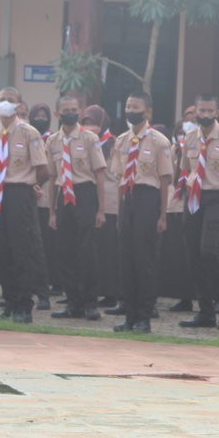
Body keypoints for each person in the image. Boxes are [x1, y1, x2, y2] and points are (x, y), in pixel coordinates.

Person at [0, 87, 50, 324]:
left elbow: (43, 168)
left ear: (19, 106)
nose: (5, 103)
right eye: (1, 99)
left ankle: (24, 306)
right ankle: (9, 304)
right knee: (1, 250)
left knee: (22, 251)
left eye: (10, 100)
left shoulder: (28, 132)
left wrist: (33, 185)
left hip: (20, 193)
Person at [112, 92, 172, 333]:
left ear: (147, 112)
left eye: (135, 107)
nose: (130, 110)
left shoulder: (159, 141)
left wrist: (163, 214)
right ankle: (129, 314)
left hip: (148, 198)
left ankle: (144, 316)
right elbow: (119, 177)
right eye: (128, 106)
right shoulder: (121, 140)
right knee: (126, 258)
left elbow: (165, 180)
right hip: (128, 198)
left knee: (144, 259)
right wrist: (119, 211)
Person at [45, 95, 107, 322]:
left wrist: (101, 209)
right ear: (57, 114)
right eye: (65, 110)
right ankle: (73, 303)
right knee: (65, 251)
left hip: (85, 193)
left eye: (73, 109)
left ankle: (90, 303)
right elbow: (52, 179)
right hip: (64, 196)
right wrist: (52, 211)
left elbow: (99, 175)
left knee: (87, 251)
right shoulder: (52, 141)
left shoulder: (90, 138)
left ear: (80, 112)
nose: (70, 113)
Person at [179, 94, 219, 331]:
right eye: (201, 111)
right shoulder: (190, 137)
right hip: (194, 197)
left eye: (209, 111)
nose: (204, 115)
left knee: (209, 251)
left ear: (217, 112)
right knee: (193, 254)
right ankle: (205, 311)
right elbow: (186, 168)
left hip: (217, 198)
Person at [81, 106, 120, 312]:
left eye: (94, 123)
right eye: (86, 123)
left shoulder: (113, 143)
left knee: (108, 250)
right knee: (91, 249)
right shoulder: (84, 142)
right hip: (89, 199)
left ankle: (110, 292)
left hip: (110, 201)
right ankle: (91, 291)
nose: (90, 127)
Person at [160, 107, 197, 314]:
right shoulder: (174, 148)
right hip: (174, 204)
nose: (189, 124)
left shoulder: (201, 146)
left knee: (192, 252)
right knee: (177, 254)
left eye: (193, 120)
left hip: (194, 203)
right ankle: (183, 296)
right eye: (186, 120)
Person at [28, 102, 58, 309]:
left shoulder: (52, 140)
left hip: (47, 200)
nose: (41, 119)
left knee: (45, 246)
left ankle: (45, 289)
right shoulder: (26, 138)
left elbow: (52, 171)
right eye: (37, 115)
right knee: (28, 246)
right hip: (27, 198)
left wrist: (38, 184)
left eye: (44, 115)